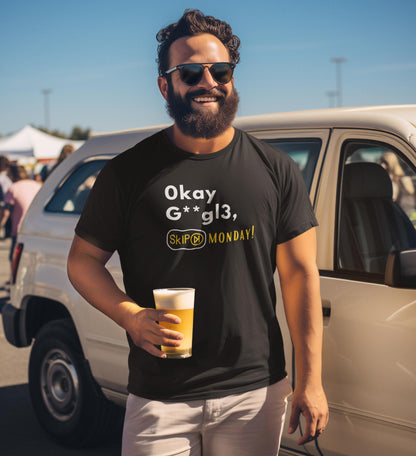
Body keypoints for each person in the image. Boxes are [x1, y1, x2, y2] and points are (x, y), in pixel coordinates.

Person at [67, 9, 328, 456]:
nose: (208, 81)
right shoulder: (127, 173)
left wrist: (311, 382)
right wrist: (129, 315)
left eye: (220, 70)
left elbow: (301, 276)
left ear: (232, 77)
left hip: (254, 391)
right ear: (166, 85)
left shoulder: (275, 169)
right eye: (190, 72)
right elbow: (82, 262)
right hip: (159, 395)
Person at [1, 165, 41, 261]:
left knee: (15, 260)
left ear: (12, 176)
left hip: (20, 229)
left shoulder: (13, 188)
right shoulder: (38, 185)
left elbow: (6, 213)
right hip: (37, 228)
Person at [381, 151, 415, 217]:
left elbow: (393, 198)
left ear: (391, 164)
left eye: (385, 162)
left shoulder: (402, 179)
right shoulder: (403, 178)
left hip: (405, 214)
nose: (382, 165)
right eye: (381, 162)